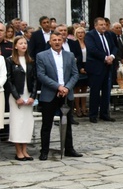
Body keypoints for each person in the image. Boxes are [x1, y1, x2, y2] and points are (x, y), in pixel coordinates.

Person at [36, 31, 82, 160]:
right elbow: (41, 75)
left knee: (66, 123)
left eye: (59, 40)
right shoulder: (42, 56)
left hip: (66, 93)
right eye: (54, 40)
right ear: (50, 42)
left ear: (63, 41)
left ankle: (69, 148)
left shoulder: (69, 55)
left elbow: (75, 74)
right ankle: (44, 150)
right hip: (50, 93)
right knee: (47, 124)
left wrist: (67, 87)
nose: (57, 42)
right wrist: (58, 87)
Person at [7, 36, 36, 161]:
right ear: (15, 46)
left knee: (27, 123)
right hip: (16, 96)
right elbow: (9, 80)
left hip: (28, 95)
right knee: (17, 122)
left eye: (25, 43)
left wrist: (33, 96)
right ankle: (18, 150)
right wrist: (16, 96)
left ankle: (25, 149)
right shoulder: (10, 61)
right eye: (21, 43)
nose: (24, 45)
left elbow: (35, 79)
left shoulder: (30, 60)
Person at [84, 17, 117, 123]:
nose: (104, 26)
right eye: (101, 25)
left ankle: (104, 113)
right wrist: (105, 58)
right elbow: (92, 49)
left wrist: (111, 56)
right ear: (95, 26)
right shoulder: (90, 35)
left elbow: (114, 47)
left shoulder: (109, 34)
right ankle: (93, 114)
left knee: (106, 92)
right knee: (95, 91)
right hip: (96, 67)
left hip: (108, 66)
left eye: (105, 24)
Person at [73, 26, 88, 117]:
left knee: (84, 89)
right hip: (77, 67)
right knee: (77, 89)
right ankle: (77, 108)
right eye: (78, 32)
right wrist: (79, 68)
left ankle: (84, 107)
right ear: (76, 34)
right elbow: (74, 57)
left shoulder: (87, 43)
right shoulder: (74, 44)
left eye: (82, 32)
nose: (80, 34)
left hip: (87, 67)